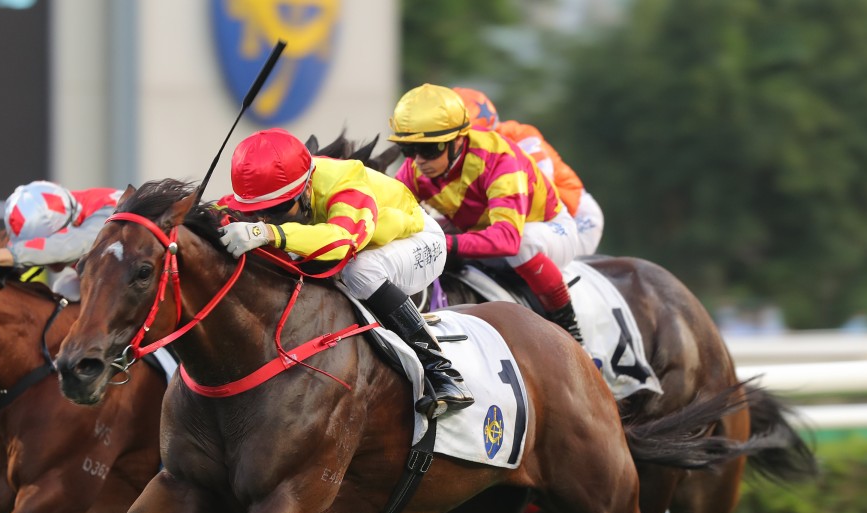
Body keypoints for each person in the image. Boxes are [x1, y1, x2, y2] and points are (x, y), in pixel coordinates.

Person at [216, 128, 472, 417]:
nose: (266, 218)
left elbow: (342, 242)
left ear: (307, 188)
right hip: (365, 244)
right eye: (256, 211)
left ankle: (442, 371)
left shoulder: (345, 181)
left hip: (415, 239)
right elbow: (216, 211)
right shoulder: (276, 193)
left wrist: (267, 232)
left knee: (360, 270)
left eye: (277, 209)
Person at [388, 83, 583, 343]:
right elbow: (390, 213)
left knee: (523, 242)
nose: (419, 160)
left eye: (429, 149)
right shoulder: (416, 167)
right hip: (481, 232)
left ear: (459, 140)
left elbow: (507, 239)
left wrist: (443, 243)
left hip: (546, 230)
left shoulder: (500, 159)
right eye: (409, 150)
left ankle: (569, 328)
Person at [453, 86, 604, 256]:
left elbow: (535, 192)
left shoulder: (523, 138)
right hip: (534, 220)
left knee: (518, 245)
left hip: (575, 218)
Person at [0, 181, 123, 301]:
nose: (46, 261)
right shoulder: (74, 210)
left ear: (72, 224)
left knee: (72, 290)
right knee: (67, 290)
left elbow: (68, 246)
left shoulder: (111, 211)